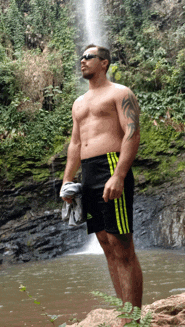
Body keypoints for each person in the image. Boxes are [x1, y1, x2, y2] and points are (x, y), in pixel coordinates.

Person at [61, 44, 143, 326]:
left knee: (122, 245)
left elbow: (132, 133)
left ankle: (133, 319)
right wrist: (67, 181)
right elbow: (74, 143)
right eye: (81, 57)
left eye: (88, 57)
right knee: (106, 244)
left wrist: (119, 174)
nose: (82, 61)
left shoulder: (120, 93)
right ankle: (125, 313)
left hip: (111, 165)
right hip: (89, 172)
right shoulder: (79, 103)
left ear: (104, 62)